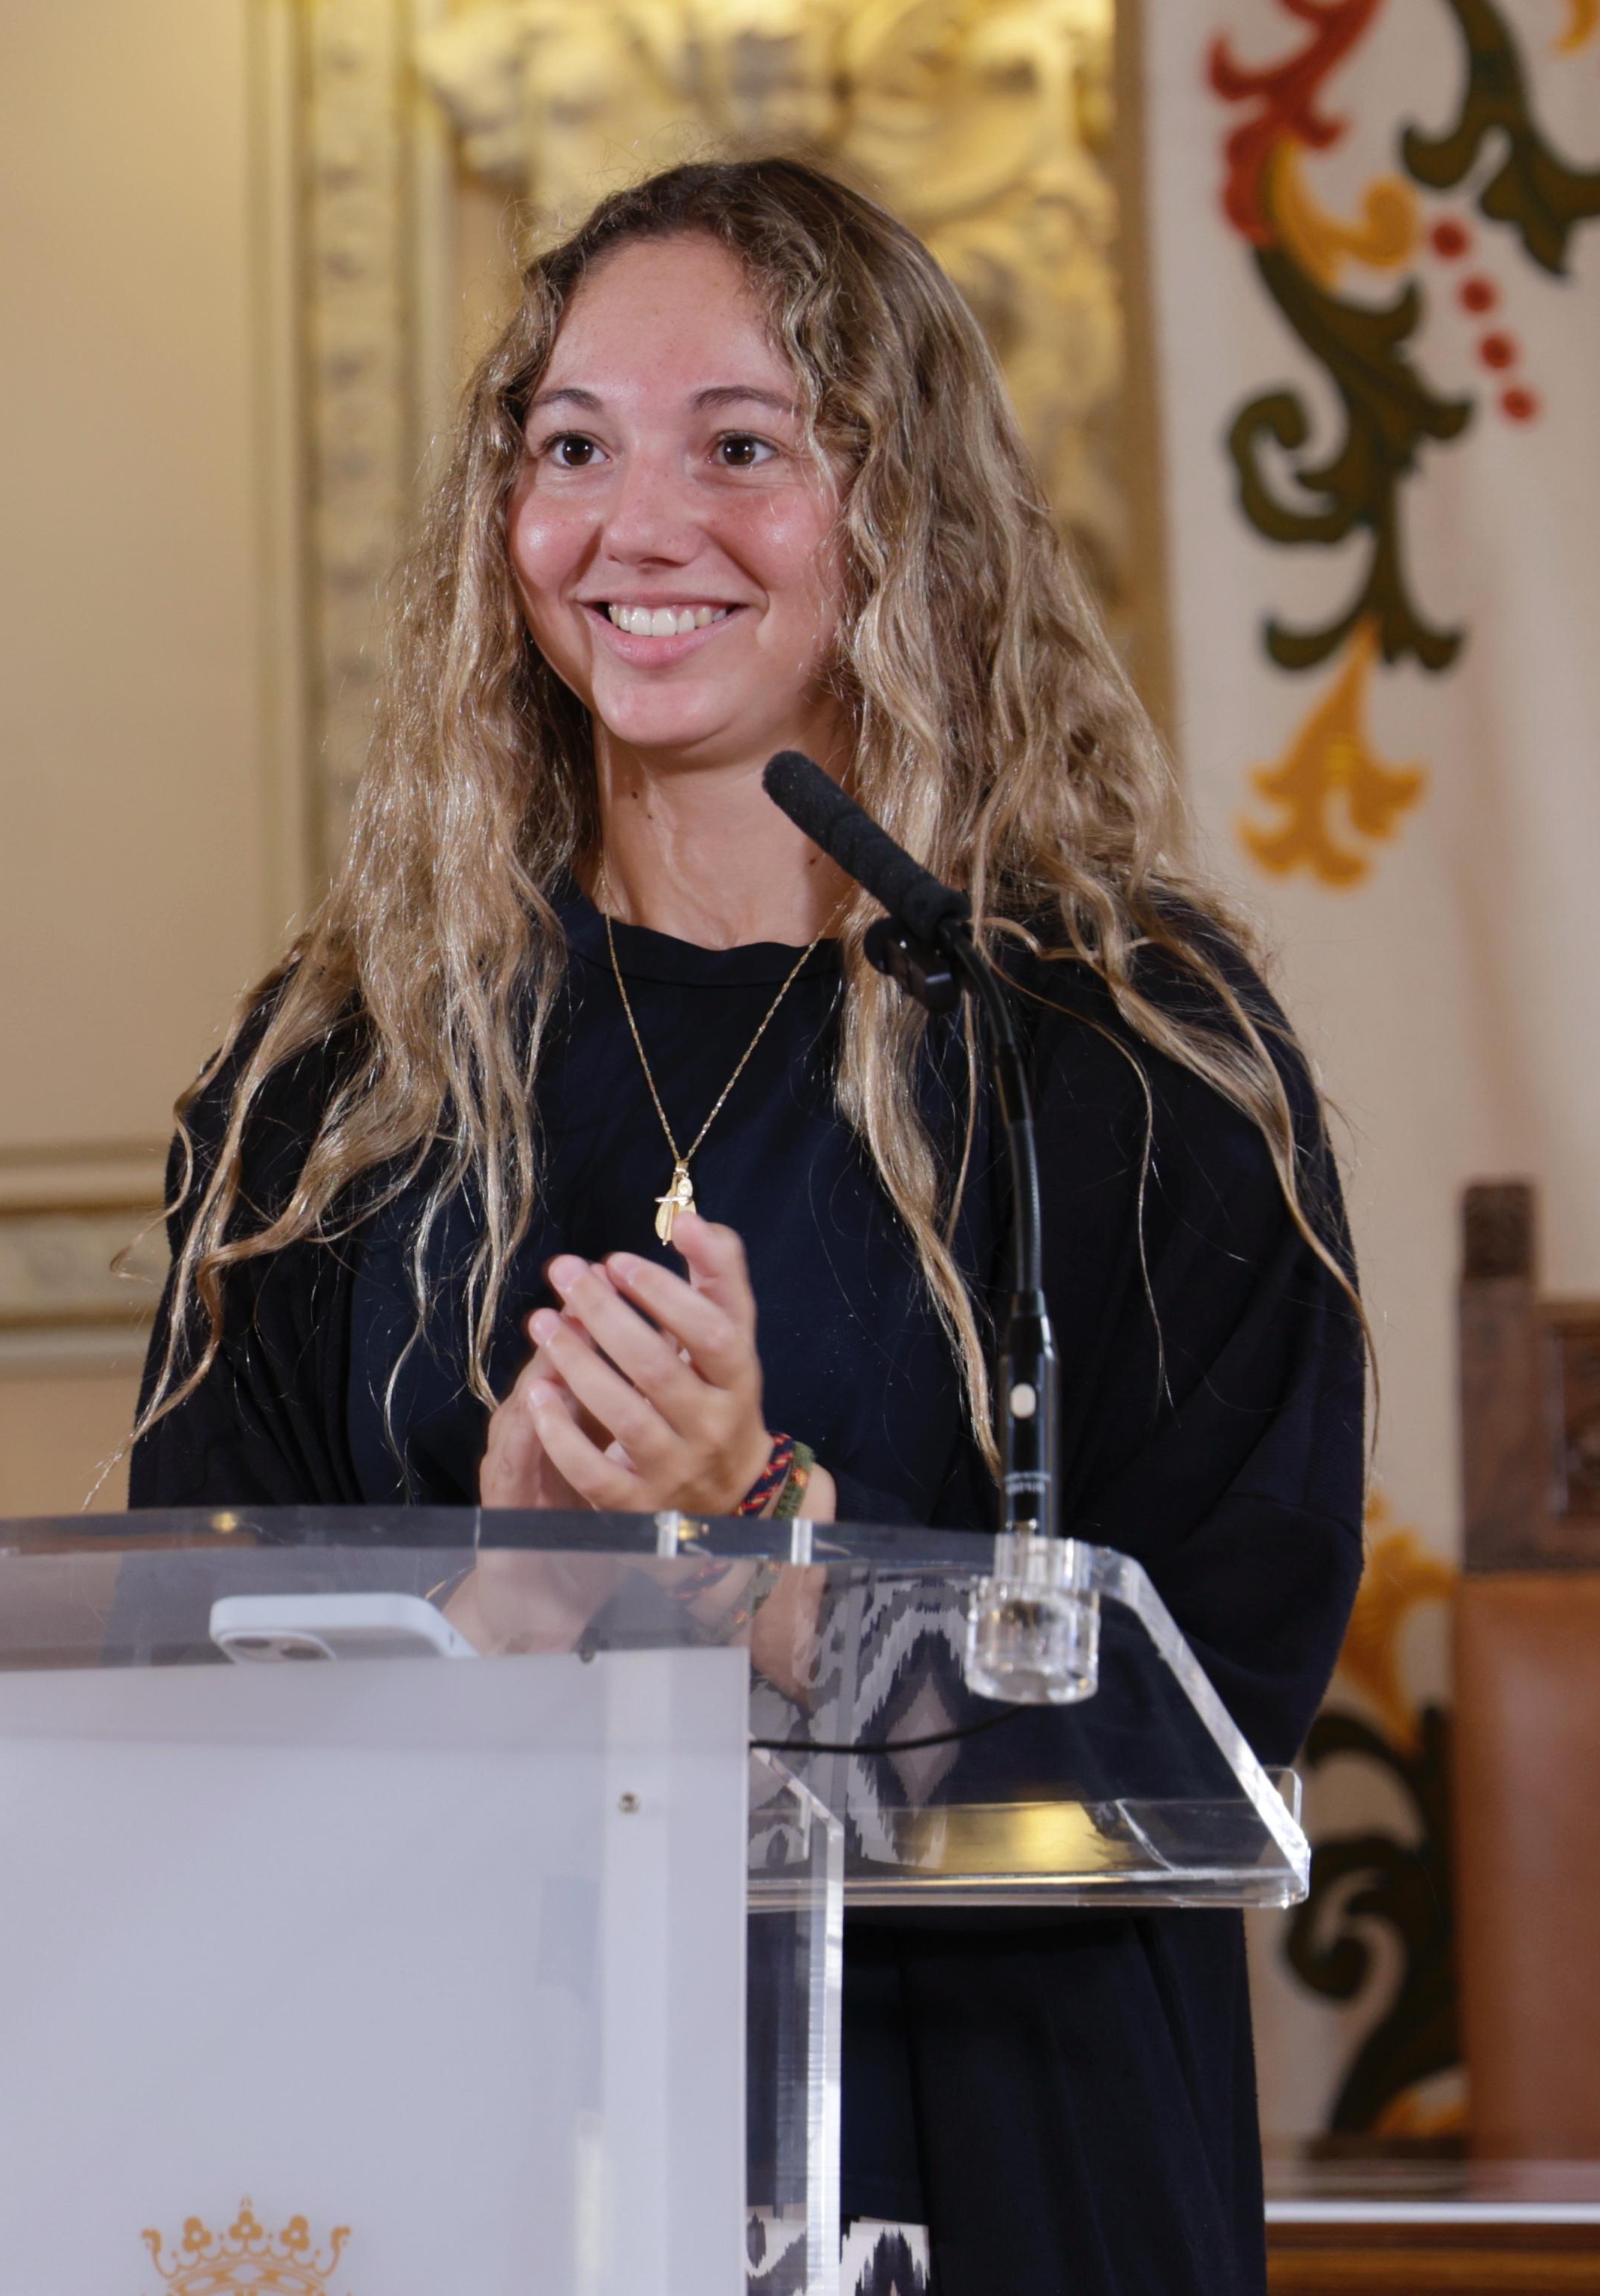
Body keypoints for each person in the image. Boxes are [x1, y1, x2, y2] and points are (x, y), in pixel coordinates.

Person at [129, 159, 1364, 2295]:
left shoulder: (1124, 1057)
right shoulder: (341, 1083)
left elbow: (1212, 1735)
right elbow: (182, 1715)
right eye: (570, 450)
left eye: (740, 448)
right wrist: (516, 1598)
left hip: (996, 2162)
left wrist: (760, 1544)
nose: (637, 527)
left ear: (903, 510)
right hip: (475, 2162)